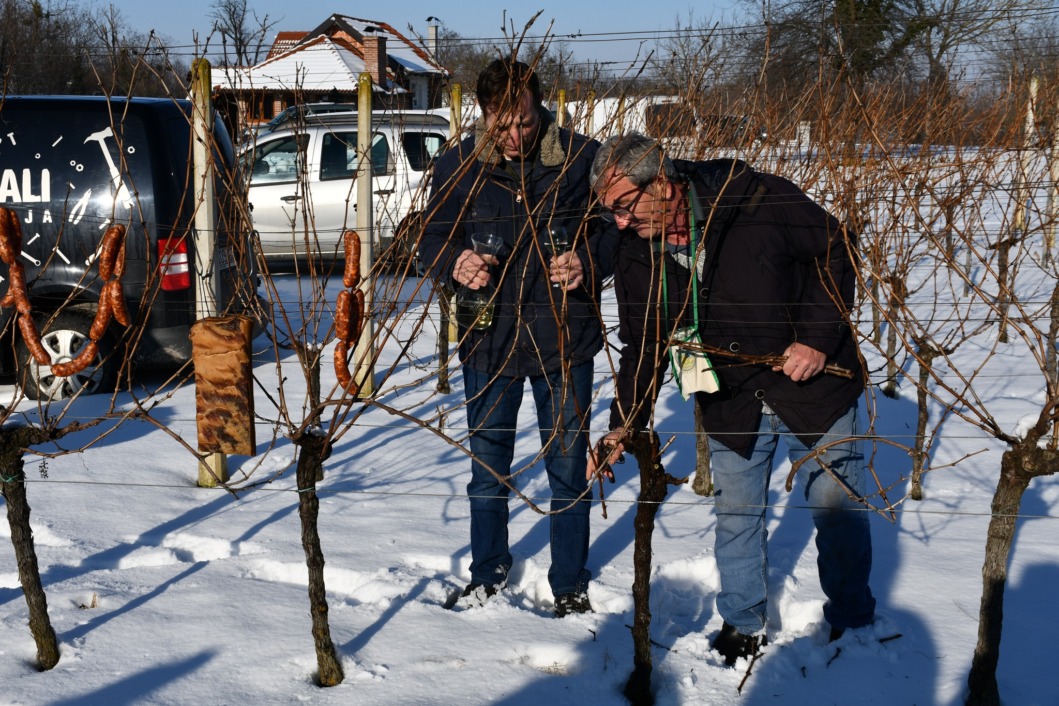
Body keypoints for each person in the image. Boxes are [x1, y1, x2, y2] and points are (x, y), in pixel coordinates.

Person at [587, 133, 875, 663]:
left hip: (813, 388)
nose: (621, 223)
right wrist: (622, 424)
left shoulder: (755, 199)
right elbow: (643, 344)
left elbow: (837, 246)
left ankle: (853, 619)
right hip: (731, 399)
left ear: (664, 183)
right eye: (611, 214)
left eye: (624, 206)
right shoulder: (634, 252)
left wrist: (815, 336)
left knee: (837, 511)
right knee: (737, 516)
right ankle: (742, 623)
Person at [418, 59, 615, 617]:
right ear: (483, 116)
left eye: (525, 123)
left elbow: (612, 232)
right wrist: (455, 261)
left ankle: (570, 582)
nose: (514, 136)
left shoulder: (580, 159)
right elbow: (432, 235)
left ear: (539, 107)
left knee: (568, 466)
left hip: (563, 340)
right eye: (501, 125)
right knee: (487, 469)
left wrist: (587, 262)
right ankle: (487, 572)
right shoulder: (459, 165)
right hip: (489, 341)